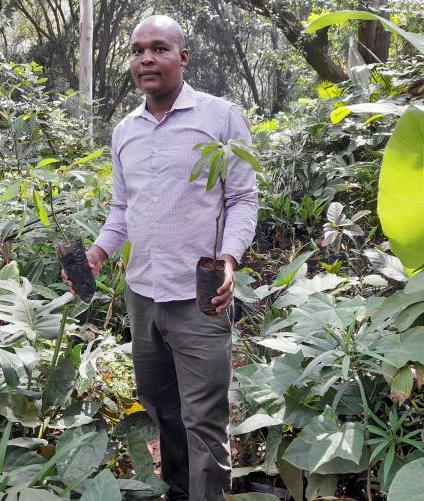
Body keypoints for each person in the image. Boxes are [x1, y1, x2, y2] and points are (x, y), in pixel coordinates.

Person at [62, 14, 258, 501]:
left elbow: (242, 199)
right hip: (142, 293)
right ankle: (177, 489)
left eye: (159, 49)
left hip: (200, 295)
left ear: (182, 57)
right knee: (161, 406)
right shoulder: (125, 130)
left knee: (203, 418)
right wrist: (98, 253)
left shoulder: (220, 117)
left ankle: (207, 495)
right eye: (137, 50)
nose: (145, 58)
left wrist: (229, 259)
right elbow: (122, 209)